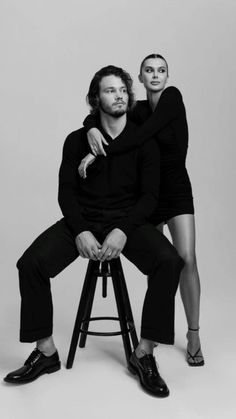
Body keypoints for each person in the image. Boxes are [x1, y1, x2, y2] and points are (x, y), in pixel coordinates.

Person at [4, 65, 183, 397]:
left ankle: (144, 353)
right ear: (94, 98)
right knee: (30, 264)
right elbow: (66, 193)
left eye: (122, 90)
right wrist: (81, 231)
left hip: (128, 220)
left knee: (169, 262)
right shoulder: (76, 140)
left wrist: (123, 231)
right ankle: (45, 352)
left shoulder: (144, 141)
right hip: (84, 218)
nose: (118, 95)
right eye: (109, 90)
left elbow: (150, 197)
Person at [79, 54, 204, 367]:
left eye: (161, 70)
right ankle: (154, 331)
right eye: (149, 70)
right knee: (158, 260)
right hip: (148, 192)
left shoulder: (172, 99)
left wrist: (99, 154)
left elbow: (138, 136)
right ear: (141, 76)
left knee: (187, 258)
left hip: (175, 190)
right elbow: (106, 117)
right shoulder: (136, 110)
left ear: (167, 75)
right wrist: (89, 127)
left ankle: (193, 334)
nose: (156, 75)